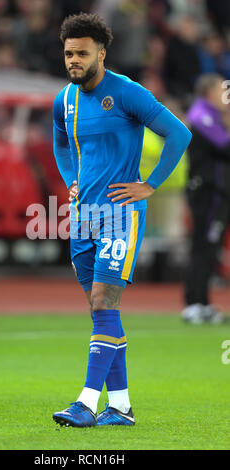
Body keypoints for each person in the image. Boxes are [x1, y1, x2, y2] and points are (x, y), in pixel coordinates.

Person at [52, 13, 191, 428]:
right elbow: (60, 141)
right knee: (102, 315)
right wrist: (71, 179)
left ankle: (86, 403)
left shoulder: (128, 93)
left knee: (103, 302)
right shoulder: (65, 99)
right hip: (84, 217)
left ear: (102, 53)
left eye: (81, 53)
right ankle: (122, 407)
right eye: (68, 54)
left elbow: (178, 133)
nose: (73, 61)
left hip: (120, 216)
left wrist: (149, 185)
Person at [182, 74, 230, 324]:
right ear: (209, 92)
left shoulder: (210, 115)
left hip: (214, 190)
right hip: (208, 191)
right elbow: (225, 146)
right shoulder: (203, 115)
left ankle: (202, 302)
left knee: (209, 248)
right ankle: (193, 303)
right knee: (203, 246)